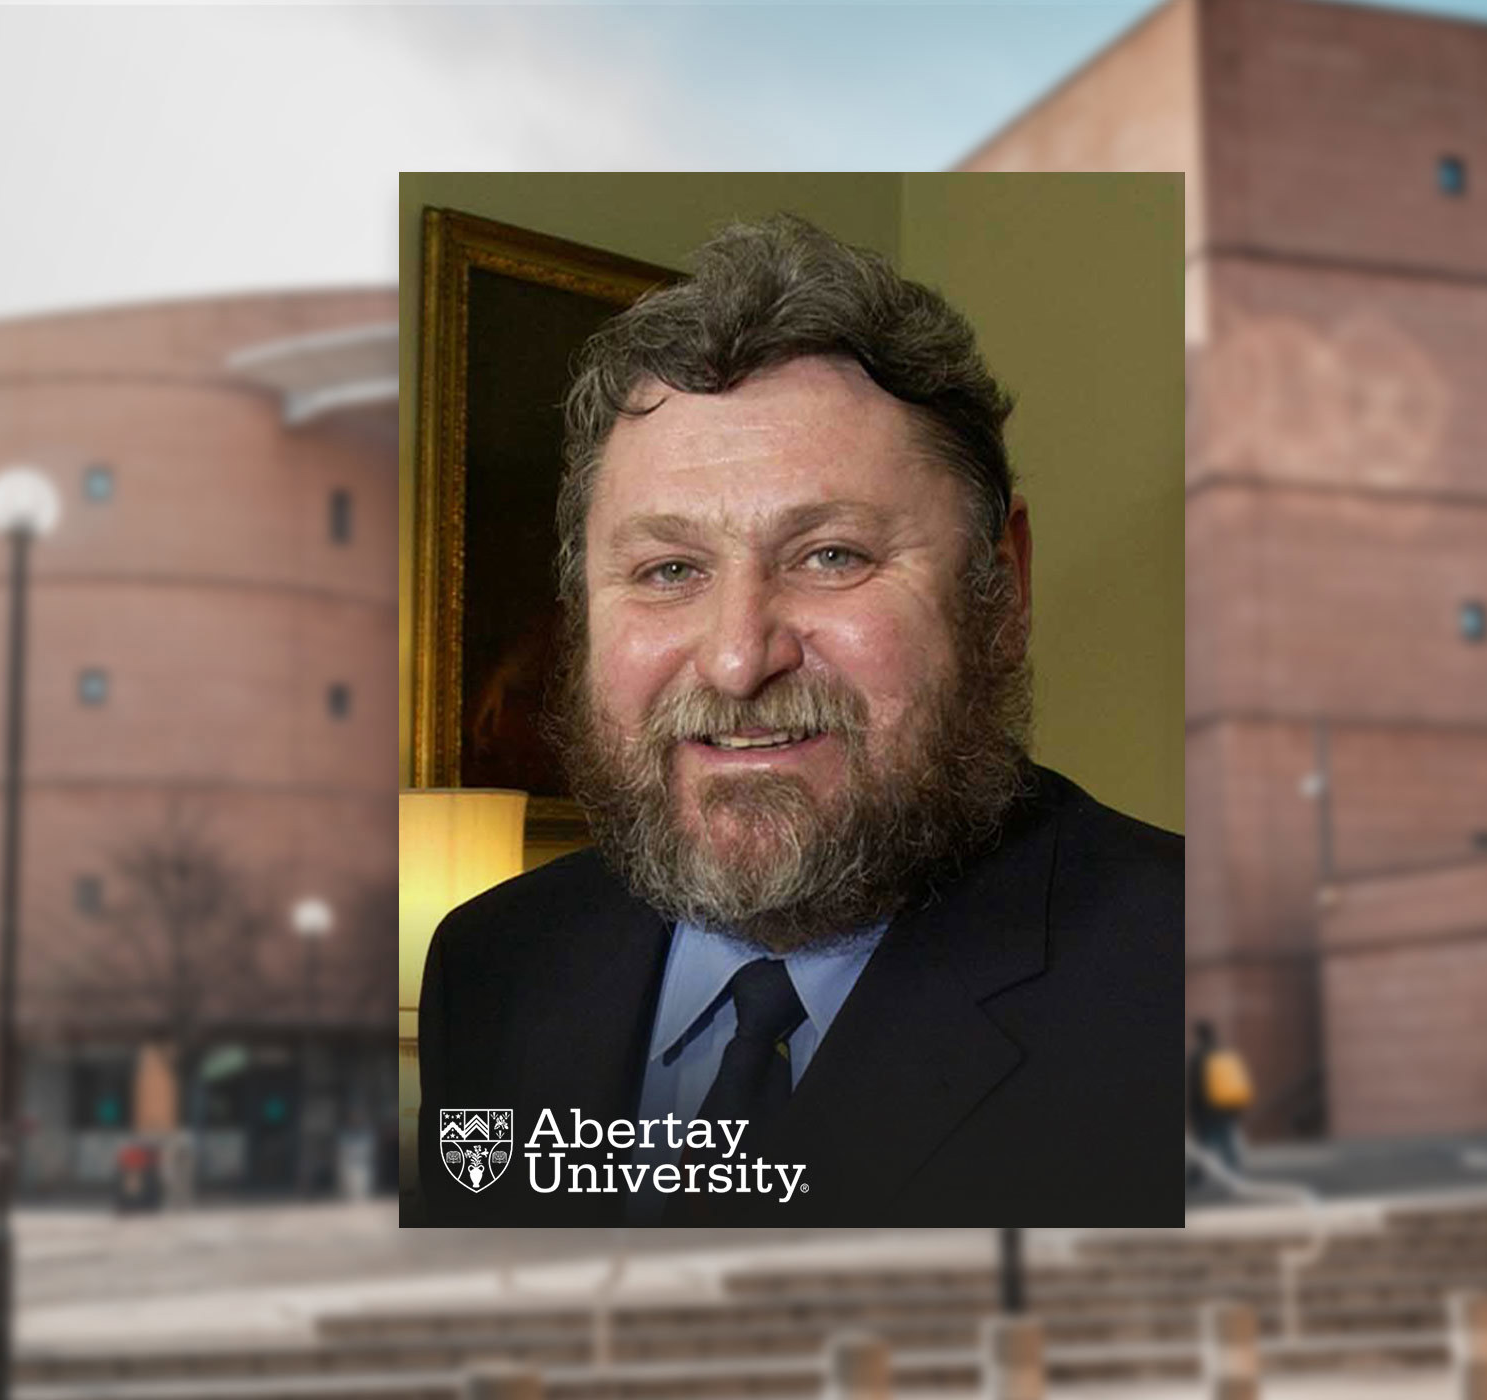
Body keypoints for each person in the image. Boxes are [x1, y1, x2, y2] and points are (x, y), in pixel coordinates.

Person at [417, 214, 1182, 1225]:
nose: (739, 660)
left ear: (1002, 588)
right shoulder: (491, 965)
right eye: (669, 569)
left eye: (832, 555)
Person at [1187, 1020, 1249, 1180]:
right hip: (1227, 1105)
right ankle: (1233, 1171)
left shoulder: (1198, 1056)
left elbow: (1195, 1087)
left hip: (1206, 1108)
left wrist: (1192, 1111)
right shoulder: (1224, 1052)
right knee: (1226, 1139)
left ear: (1198, 1036)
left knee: (1205, 1141)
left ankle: (1199, 1174)